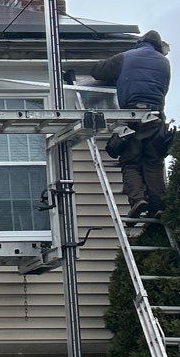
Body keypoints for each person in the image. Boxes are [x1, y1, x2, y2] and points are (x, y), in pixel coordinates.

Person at [68, 30, 172, 219]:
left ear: (140, 43)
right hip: (156, 117)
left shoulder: (127, 57)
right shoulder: (164, 62)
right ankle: (158, 206)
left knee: (130, 161)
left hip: (132, 114)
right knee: (153, 162)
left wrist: (118, 76)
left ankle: (138, 200)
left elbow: (98, 71)